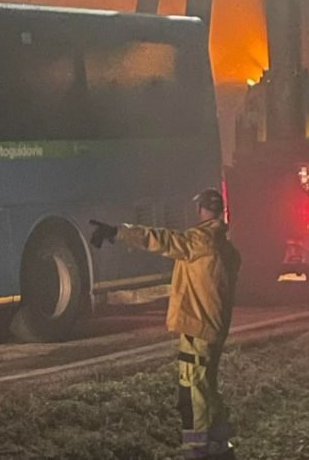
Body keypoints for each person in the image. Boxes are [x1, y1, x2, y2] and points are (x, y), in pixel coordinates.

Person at [90, 188, 241, 459]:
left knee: (193, 386)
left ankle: (198, 448)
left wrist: (118, 231)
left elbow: (160, 240)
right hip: (215, 328)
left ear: (202, 211)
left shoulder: (198, 241)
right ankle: (219, 441)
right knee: (207, 384)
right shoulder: (226, 247)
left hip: (197, 326)